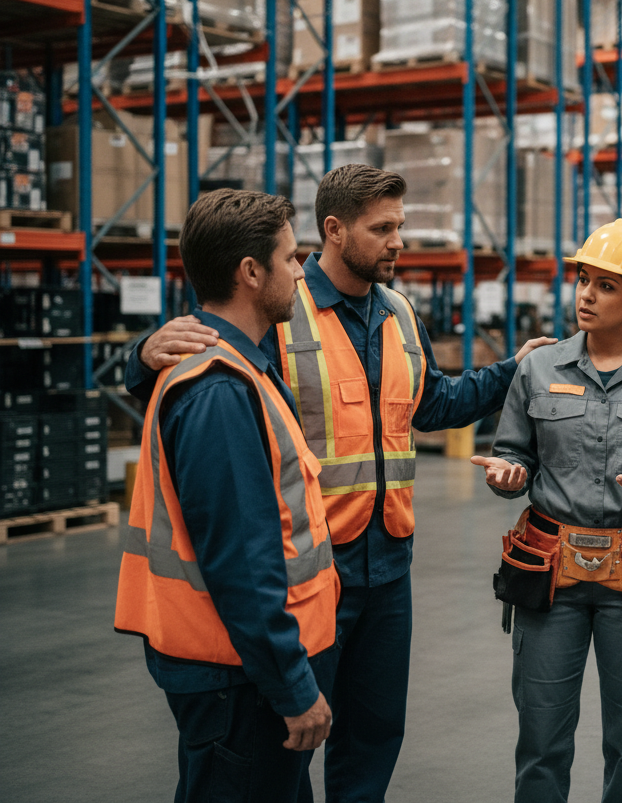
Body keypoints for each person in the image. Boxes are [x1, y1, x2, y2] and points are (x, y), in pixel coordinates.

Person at [124, 165, 555, 803]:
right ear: (334, 230)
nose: (398, 241)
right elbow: (206, 373)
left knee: (374, 735)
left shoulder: (400, 312)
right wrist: (142, 353)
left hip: (389, 564)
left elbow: (429, 404)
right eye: (382, 228)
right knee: (286, 745)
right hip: (312, 573)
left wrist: (509, 373)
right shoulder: (278, 303)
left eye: (400, 226)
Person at [472, 219, 622, 803]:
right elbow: (513, 456)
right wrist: (510, 476)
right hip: (550, 574)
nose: (586, 295)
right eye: (584, 280)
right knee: (541, 740)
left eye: (606, 286)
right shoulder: (538, 369)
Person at [114, 189, 339, 803]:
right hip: (237, 677)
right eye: (292, 259)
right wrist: (293, 687)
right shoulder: (218, 389)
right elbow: (242, 562)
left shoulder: (243, 358)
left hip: (239, 668)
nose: (301, 272)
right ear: (251, 273)